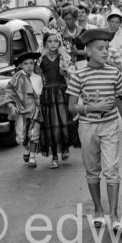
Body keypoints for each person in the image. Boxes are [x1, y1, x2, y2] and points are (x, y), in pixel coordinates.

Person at [66, 29, 122, 233]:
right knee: (92, 170)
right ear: (89, 51)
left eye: (107, 48)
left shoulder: (114, 72)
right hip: (87, 127)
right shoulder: (79, 75)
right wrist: (93, 108)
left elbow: (120, 100)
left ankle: (114, 214)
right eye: (100, 48)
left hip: (110, 126)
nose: (105, 52)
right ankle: (98, 210)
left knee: (112, 170)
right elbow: (71, 106)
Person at [38, 29, 79, 168]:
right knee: (51, 125)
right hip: (48, 94)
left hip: (62, 93)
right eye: (49, 41)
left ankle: (65, 147)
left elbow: (71, 74)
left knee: (63, 121)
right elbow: (38, 77)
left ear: (60, 42)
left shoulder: (64, 58)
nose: (53, 44)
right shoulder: (41, 60)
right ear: (45, 44)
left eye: (56, 41)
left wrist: (67, 67)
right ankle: (54, 156)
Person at [0, 52, 44, 167]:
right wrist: (11, 105)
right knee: (22, 135)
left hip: (35, 110)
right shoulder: (17, 77)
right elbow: (9, 92)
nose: (29, 66)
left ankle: (32, 157)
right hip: (21, 111)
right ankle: (26, 149)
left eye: (31, 63)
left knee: (34, 134)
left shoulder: (38, 78)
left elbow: (41, 93)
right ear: (21, 65)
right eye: (26, 63)